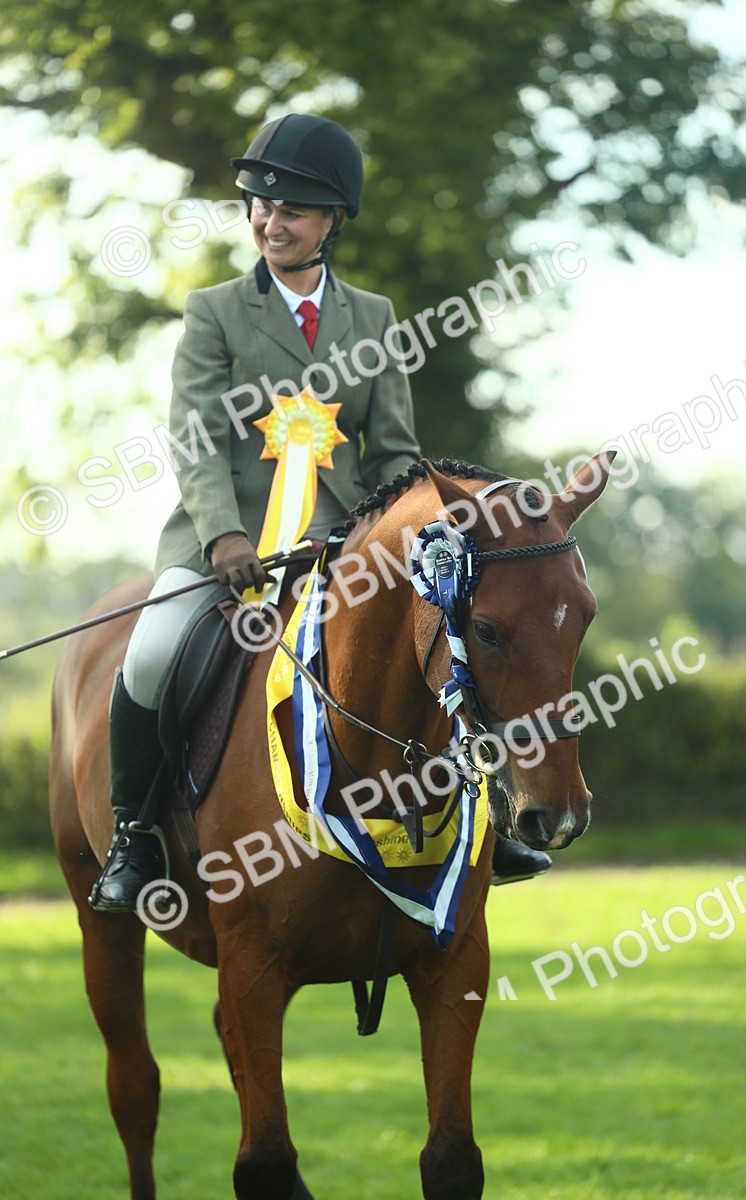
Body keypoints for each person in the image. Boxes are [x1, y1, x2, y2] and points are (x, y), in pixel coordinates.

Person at [90, 113, 549, 912]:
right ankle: (134, 836)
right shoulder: (215, 313)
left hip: (346, 554)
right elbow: (195, 441)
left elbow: (396, 456)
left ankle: (487, 817)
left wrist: (413, 534)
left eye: (292, 210)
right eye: (259, 206)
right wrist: (225, 535)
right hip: (223, 550)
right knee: (153, 652)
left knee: (452, 647)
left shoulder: (372, 319)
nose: (271, 221)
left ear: (332, 220)